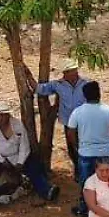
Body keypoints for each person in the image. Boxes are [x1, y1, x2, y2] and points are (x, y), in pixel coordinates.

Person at [0, 102, 57, 205]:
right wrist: (2, 160)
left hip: (17, 155)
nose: (3, 117)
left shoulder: (17, 124)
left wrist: (20, 162)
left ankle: (46, 191)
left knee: (34, 166)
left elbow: (24, 144)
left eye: (5, 114)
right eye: (0, 114)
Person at [36, 61, 93, 190]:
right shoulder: (59, 85)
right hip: (68, 122)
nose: (72, 74)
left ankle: (86, 172)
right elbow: (41, 89)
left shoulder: (86, 84)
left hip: (84, 122)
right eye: (69, 72)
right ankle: (79, 171)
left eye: (73, 71)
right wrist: (28, 77)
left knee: (85, 146)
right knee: (72, 148)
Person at [67, 81, 109, 217]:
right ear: (99, 93)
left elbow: (71, 132)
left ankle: (85, 208)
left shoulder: (78, 112)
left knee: (87, 183)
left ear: (84, 95)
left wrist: (77, 146)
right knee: (108, 182)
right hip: (106, 152)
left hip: (86, 153)